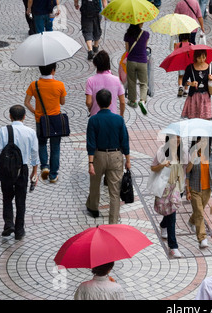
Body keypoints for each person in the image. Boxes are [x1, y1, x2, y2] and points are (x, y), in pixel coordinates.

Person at [0, 105, 39, 240]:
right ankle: (19, 230)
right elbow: (35, 153)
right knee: (21, 199)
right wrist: (34, 172)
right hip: (23, 168)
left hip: (7, 168)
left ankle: (8, 224)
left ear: (10, 116)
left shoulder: (3, 130)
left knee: (7, 197)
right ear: (25, 116)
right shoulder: (30, 132)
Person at [86, 89, 131, 224]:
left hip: (98, 156)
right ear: (111, 102)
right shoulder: (118, 119)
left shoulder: (93, 120)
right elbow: (125, 140)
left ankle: (94, 208)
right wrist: (127, 160)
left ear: (97, 103)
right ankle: (113, 221)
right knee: (114, 191)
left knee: (94, 184)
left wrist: (90, 163)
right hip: (116, 155)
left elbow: (91, 143)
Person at [24, 63, 66, 184]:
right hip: (55, 120)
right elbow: (62, 102)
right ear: (53, 70)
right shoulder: (59, 85)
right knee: (55, 147)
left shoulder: (34, 85)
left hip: (40, 120)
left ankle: (44, 167)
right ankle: (53, 175)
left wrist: (36, 112)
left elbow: (26, 102)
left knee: (42, 144)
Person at [151, 135, 189, 258]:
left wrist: (193, 160)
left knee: (172, 214)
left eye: (179, 137)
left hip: (178, 187)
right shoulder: (162, 151)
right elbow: (153, 167)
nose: (177, 140)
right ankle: (171, 243)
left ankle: (172, 244)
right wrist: (162, 165)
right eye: (174, 137)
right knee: (170, 214)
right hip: (165, 187)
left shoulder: (183, 152)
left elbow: (187, 170)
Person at [186, 137, 212, 249]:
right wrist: (187, 191)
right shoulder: (192, 153)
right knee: (200, 213)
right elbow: (187, 172)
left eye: (205, 140)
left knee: (199, 211)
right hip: (194, 188)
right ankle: (202, 238)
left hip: (207, 189)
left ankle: (191, 221)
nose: (203, 143)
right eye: (200, 141)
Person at [86, 50, 126, 117]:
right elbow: (122, 102)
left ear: (96, 64)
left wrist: (90, 108)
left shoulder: (90, 81)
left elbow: (88, 102)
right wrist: (121, 115)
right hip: (112, 118)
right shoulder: (116, 80)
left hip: (96, 117)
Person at [181, 50, 212, 120]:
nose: (202, 60)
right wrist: (190, 83)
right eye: (199, 58)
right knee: (193, 119)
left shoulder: (209, 67)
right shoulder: (190, 68)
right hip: (193, 96)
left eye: (204, 57)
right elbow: (184, 81)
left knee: (205, 119)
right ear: (195, 57)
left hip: (205, 96)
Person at [124, 23, 149, 115]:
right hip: (142, 61)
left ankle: (133, 101)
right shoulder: (146, 34)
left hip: (131, 61)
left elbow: (127, 50)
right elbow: (145, 47)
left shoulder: (127, 35)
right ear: (140, 23)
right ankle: (142, 100)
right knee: (143, 83)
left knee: (131, 81)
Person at [174, 33, 192, 97]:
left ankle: (180, 87)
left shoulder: (178, 45)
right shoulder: (191, 45)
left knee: (180, 76)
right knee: (186, 77)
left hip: (180, 63)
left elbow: (175, 53)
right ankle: (186, 91)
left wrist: (175, 46)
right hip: (188, 64)